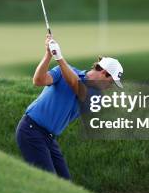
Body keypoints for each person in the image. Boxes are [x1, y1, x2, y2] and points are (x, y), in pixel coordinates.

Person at [16, 34, 123, 179]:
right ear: (104, 73)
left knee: (65, 183)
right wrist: (48, 55)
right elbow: (38, 80)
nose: (111, 87)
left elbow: (76, 85)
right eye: (111, 82)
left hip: (48, 137)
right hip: (30, 130)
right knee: (48, 182)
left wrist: (59, 57)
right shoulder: (64, 71)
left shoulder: (97, 96)